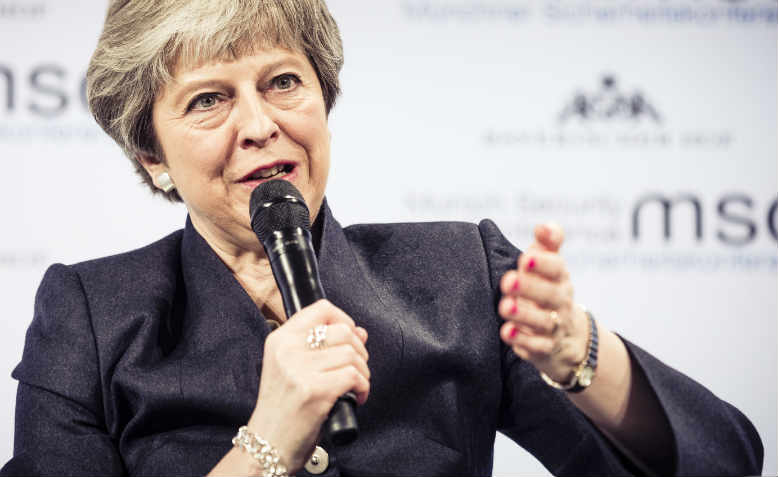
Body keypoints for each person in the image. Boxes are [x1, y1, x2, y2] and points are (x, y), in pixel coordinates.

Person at [0, 1, 763, 476]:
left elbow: (724, 460)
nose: (261, 124)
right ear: (154, 158)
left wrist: (582, 357)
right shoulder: (94, 315)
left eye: (282, 82)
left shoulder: (460, 271)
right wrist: (267, 442)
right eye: (209, 100)